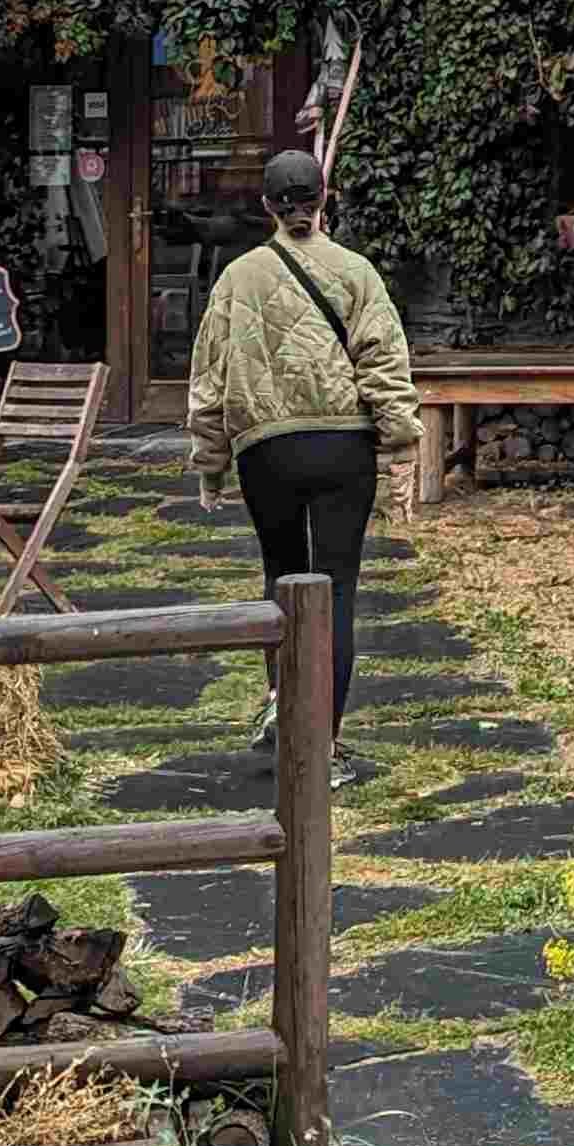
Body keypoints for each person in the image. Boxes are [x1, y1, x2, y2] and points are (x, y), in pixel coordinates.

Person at [189, 149, 418, 773]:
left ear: (265, 205)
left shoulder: (237, 278)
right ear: (326, 197)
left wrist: (211, 460)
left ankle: (283, 712)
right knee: (337, 589)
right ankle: (326, 741)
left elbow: (209, 378)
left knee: (281, 580)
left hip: (267, 449)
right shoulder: (357, 272)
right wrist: (400, 448)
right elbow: (385, 366)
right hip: (345, 447)